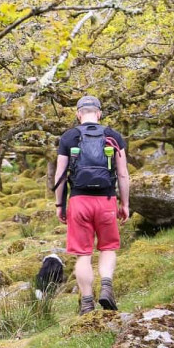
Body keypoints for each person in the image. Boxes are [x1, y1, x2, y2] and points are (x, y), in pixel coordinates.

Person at [53, 95, 130, 315]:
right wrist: (124, 203)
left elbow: (60, 175)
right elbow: (123, 174)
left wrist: (60, 205)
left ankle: (87, 302)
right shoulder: (113, 136)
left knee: (84, 255)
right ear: (99, 113)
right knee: (107, 248)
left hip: (79, 201)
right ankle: (106, 285)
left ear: (78, 114)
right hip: (106, 201)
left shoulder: (69, 137)